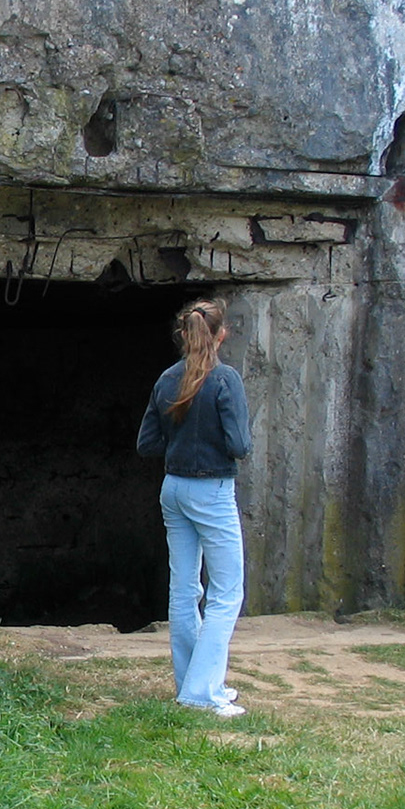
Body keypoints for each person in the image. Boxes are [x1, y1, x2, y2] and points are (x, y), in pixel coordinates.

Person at [135, 298, 251, 718]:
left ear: (184, 334)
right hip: (212, 490)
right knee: (226, 592)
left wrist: (181, 445)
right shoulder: (225, 380)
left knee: (184, 590)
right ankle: (204, 692)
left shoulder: (167, 379)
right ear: (221, 334)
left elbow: (146, 444)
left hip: (173, 489)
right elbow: (239, 446)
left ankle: (191, 684)